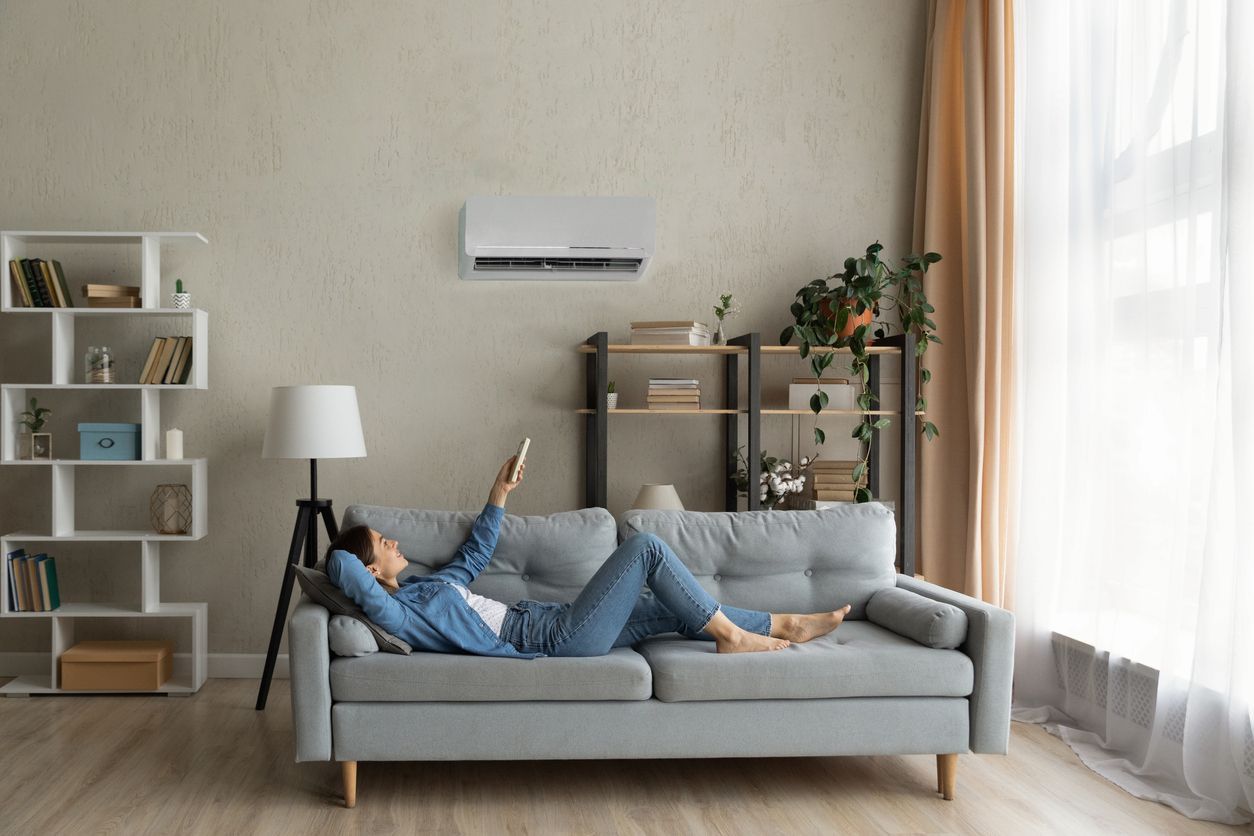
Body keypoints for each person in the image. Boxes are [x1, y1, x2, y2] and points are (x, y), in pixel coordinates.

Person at [325, 456, 852, 659]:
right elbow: (340, 567)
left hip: (551, 619)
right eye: (383, 543)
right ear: (370, 572)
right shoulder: (398, 613)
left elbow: (475, 552)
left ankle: (784, 624)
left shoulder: (425, 587)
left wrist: (499, 490)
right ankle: (734, 638)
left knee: (672, 607)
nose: (394, 542)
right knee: (645, 548)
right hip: (548, 638)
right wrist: (342, 556)